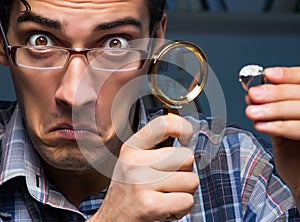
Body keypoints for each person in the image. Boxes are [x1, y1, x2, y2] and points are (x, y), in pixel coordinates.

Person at [0, 0, 299, 221]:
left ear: (156, 40)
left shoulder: (236, 170)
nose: (74, 95)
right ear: (2, 43)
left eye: (115, 44)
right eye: (41, 41)